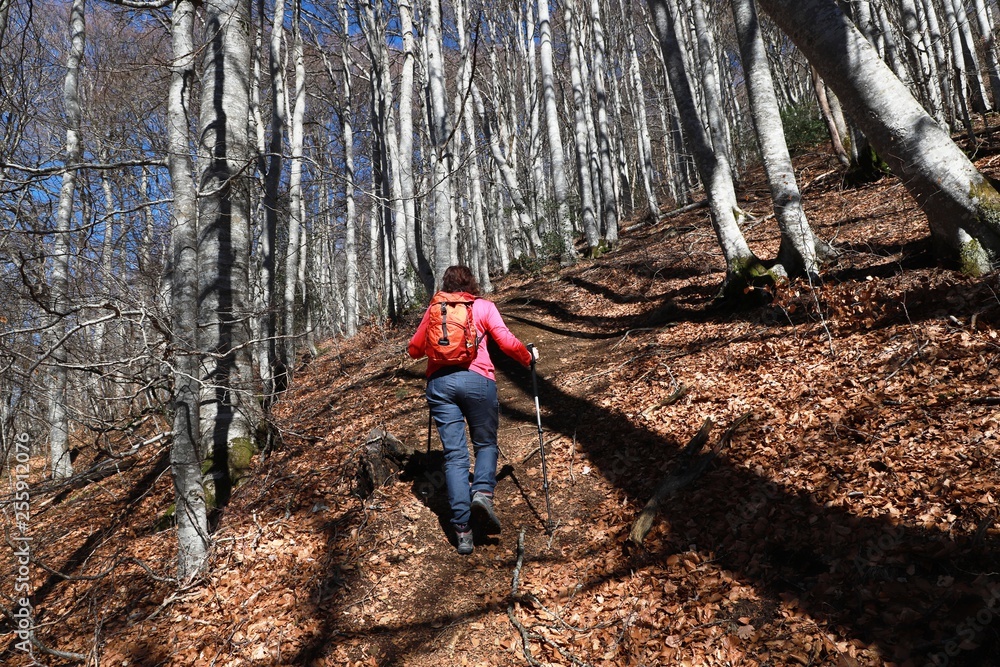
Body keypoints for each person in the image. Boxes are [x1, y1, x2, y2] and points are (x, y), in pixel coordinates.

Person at [408, 265, 538, 555]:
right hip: (479, 381)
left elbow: (414, 349)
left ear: (445, 285)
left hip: (440, 385)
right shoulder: (483, 307)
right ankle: (481, 493)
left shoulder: (435, 310)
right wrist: (528, 357)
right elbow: (506, 341)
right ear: (472, 284)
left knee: (455, 456)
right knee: (486, 444)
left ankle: (462, 530)